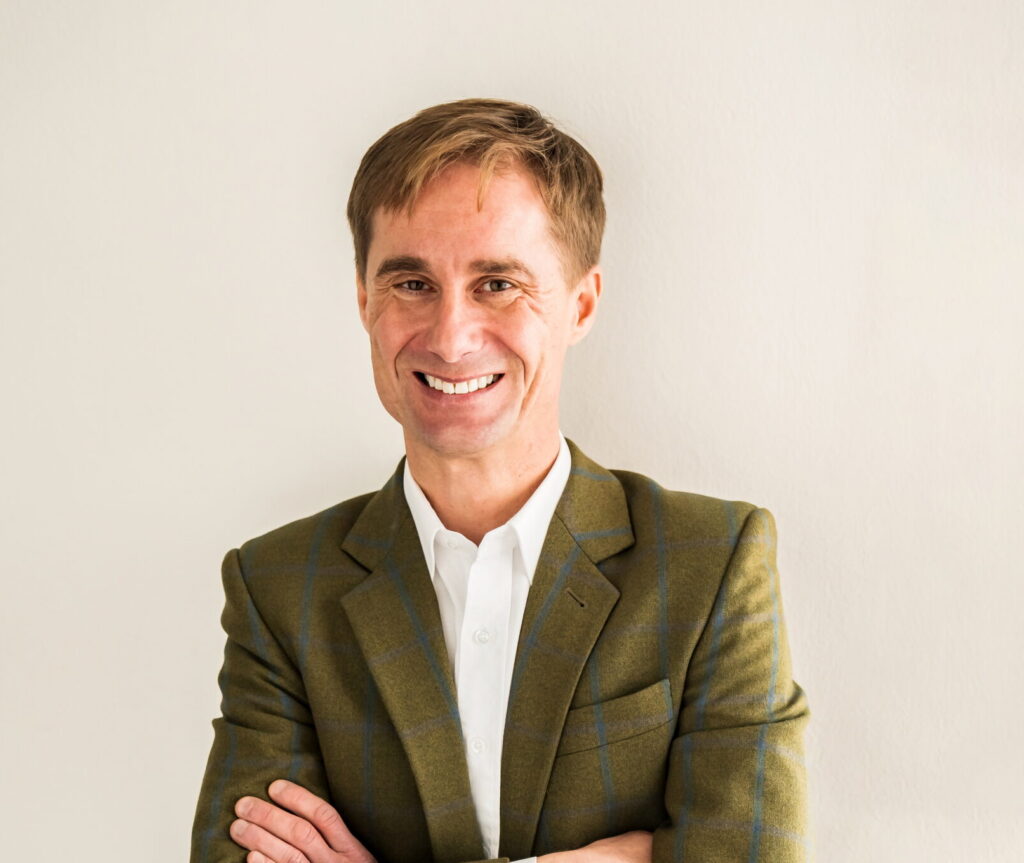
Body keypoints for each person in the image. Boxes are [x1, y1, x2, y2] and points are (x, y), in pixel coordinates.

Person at [190, 98, 810, 863]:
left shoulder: (713, 564)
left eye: (497, 283)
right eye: (411, 282)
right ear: (364, 301)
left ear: (580, 304)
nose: (451, 337)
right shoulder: (278, 588)